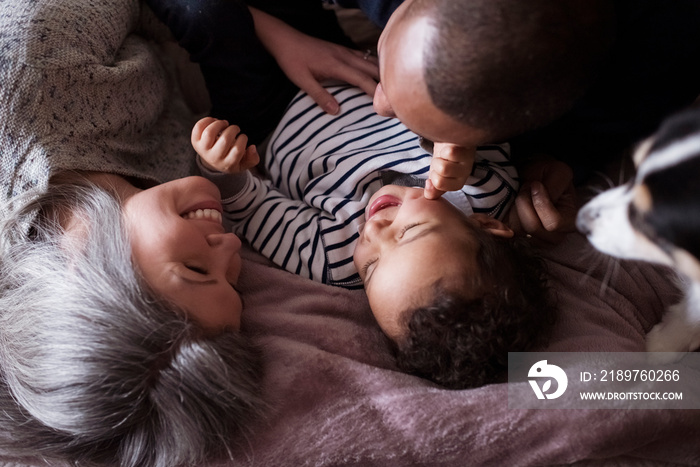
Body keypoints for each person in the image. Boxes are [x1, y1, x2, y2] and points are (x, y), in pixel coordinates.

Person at [0, 0, 373, 465]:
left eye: (197, 269)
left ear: (85, 258)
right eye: (231, 281)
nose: (232, 247)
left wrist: (270, 35)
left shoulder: (35, 73)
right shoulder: (143, 211)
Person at [191, 84, 555, 389]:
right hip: (360, 75)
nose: (375, 232)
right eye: (411, 231)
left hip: (268, 110)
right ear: (485, 226)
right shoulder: (486, 189)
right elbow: (480, 106)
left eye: (370, 267)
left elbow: (252, 209)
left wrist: (222, 169)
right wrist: (453, 140)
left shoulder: (331, 257)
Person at [368, 0, 700, 237]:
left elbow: (609, 122)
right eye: (384, 65)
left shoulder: (662, 62)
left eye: (441, 135)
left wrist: (559, 155)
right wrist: (312, 41)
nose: (377, 104)